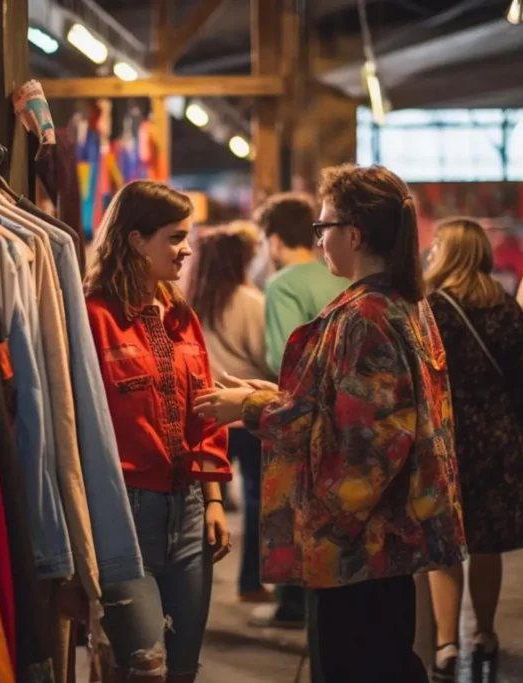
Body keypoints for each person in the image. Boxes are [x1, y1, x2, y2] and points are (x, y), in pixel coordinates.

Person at [193, 164, 468, 683]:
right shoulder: (401, 303)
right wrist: (273, 396)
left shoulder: (367, 314)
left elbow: (364, 440)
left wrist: (252, 410)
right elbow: (354, 409)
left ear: (354, 233)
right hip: (383, 543)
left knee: (356, 665)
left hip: (359, 545)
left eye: (324, 228)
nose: (319, 240)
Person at [83, 180, 233, 683]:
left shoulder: (181, 316)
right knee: (144, 669)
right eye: (174, 237)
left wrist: (213, 499)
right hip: (125, 515)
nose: (187, 248)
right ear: (134, 240)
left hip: (190, 511)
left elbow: (204, 411)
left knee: (183, 670)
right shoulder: (93, 318)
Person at [423, 218, 523, 681]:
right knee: (487, 542)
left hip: (444, 436)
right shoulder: (504, 304)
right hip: (496, 435)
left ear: (445, 252)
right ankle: (485, 633)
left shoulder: (430, 307)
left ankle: (446, 643)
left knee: (444, 544)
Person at [252, 192, 351, 628]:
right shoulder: (347, 276)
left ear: (273, 241)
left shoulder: (284, 284)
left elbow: (282, 359)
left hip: (303, 420)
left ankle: (293, 606)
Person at [184, 221, 276, 604]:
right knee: (256, 500)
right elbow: (266, 356)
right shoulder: (250, 301)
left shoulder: (189, 301)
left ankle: (195, 582)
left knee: (207, 503)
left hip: (206, 413)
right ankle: (250, 582)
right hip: (247, 410)